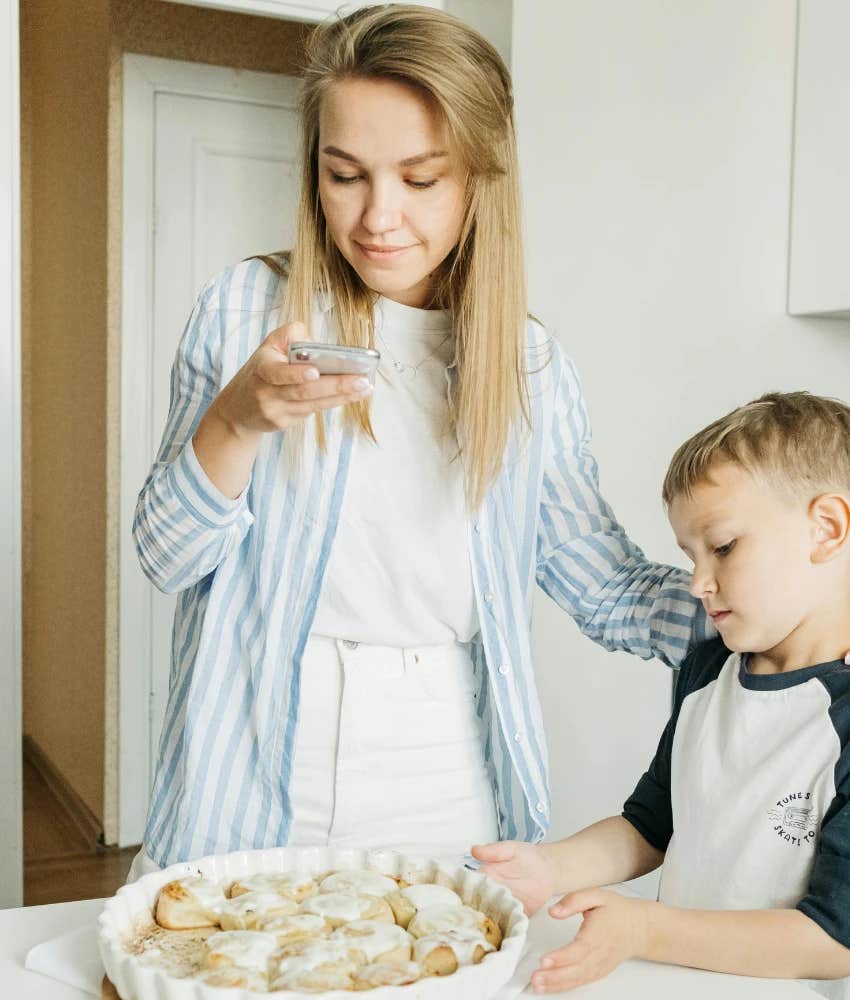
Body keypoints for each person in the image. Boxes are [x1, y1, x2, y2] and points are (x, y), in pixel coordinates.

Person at [129, 4, 708, 878]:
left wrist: (772, 603)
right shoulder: (247, 311)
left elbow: (608, 586)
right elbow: (164, 557)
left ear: (480, 176)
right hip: (251, 760)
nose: (377, 217)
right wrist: (238, 419)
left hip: (444, 766)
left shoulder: (529, 368)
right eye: (345, 174)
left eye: (421, 178)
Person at [474, 391, 850, 996]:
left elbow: (835, 939)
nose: (699, 582)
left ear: (827, 529)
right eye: (690, 555)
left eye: (724, 546)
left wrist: (643, 929)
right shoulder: (707, 671)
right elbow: (649, 825)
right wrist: (549, 867)